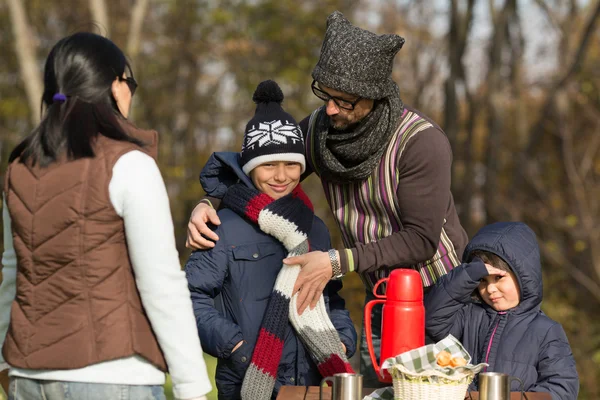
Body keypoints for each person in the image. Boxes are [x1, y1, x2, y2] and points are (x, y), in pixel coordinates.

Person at [186, 11, 467, 387]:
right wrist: (210, 203)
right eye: (326, 95)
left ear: (376, 97)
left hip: (440, 297)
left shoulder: (421, 143)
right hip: (379, 300)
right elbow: (262, 167)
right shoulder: (322, 128)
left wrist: (335, 262)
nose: (331, 109)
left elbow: (420, 238)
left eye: (345, 101)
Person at [0, 32, 212, 400]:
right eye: (130, 82)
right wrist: (192, 387)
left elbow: (11, 273)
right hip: (113, 375)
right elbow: (160, 282)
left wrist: (5, 365)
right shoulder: (129, 165)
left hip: (28, 376)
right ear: (114, 87)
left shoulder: (21, 166)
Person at [185, 80, 356, 400]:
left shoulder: (315, 228)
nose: (281, 175)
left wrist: (343, 338)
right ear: (250, 169)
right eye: (268, 165)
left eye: (292, 164)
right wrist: (236, 347)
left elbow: (331, 296)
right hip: (245, 383)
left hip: (311, 383)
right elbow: (190, 298)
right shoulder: (221, 225)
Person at [425, 222, 579, 399]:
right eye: (483, 280)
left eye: (498, 278)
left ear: (523, 275)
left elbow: (562, 389)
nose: (490, 289)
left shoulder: (546, 330)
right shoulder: (467, 314)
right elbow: (433, 319)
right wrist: (468, 273)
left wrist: (504, 397)